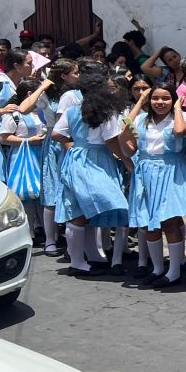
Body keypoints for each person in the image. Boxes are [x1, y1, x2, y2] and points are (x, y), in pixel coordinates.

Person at [123, 84, 186, 288]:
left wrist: (177, 108)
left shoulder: (181, 117)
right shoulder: (141, 119)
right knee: (148, 223)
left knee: (169, 221)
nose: (160, 102)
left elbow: (180, 131)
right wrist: (140, 102)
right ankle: (157, 268)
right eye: (155, 98)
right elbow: (126, 132)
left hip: (171, 171)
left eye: (166, 98)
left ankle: (174, 271)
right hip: (146, 172)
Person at [53, 68, 131, 276]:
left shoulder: (73, 110)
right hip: (97, 160)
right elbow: (111, 141)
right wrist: (126, 160)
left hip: (76, 159)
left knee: (82, 209)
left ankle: (90, 256)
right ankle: (78, 262)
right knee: (95, 207)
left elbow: (56, 134)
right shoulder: (107, 112)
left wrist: (72, 144)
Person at [38, 60, 81, 257]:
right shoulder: (47, 94)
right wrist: (43, 85)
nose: (78, 76)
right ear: (64, 75)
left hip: (75, 141)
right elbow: (24, 108)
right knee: (51, 191)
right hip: (55, 143)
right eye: (75, 72)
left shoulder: (78, 93)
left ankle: (71, 239)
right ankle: (50, 240)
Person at [0, 80, 48, 240]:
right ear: (30, 94)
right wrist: (28, 141)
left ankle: (44, 230)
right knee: (26, 193)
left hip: (41, 155)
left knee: (42, 193)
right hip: (22, 156)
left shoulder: (42, 112)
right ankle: (29, 233)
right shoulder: (14, 114)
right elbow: (4, 138)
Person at [0, 50, 28, 180]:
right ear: (16, 66)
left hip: (14, 131)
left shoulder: (22, 83)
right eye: (29, 63)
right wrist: (2, 110)